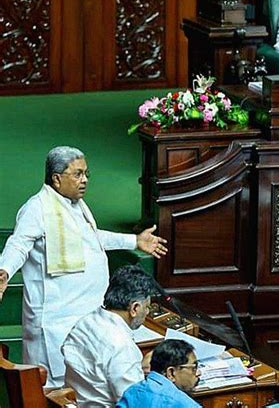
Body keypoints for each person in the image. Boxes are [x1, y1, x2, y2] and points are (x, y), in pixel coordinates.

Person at [0, 145, 167, 387]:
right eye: (77, 174)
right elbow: (19, 244)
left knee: (82, 383)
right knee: (53, 386)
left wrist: (134, 241)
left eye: (86, 173)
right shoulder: (36, 209)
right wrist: (4, 270)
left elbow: (90, 237)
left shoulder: (76, 204)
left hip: (85, 314)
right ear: (57, 179)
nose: (85, 180)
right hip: (56, 319)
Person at [62, 264, 158, 407]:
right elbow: (135, 403)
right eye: (147, 307)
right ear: (134, 308)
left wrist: (137, 366)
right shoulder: (121, 345)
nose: (148, 312)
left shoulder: (85, 322)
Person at [116, 339, 202, 408]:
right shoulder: (185, 404)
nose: (198, 373)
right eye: (194, 368)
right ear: (171, 373)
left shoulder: (132, 391)